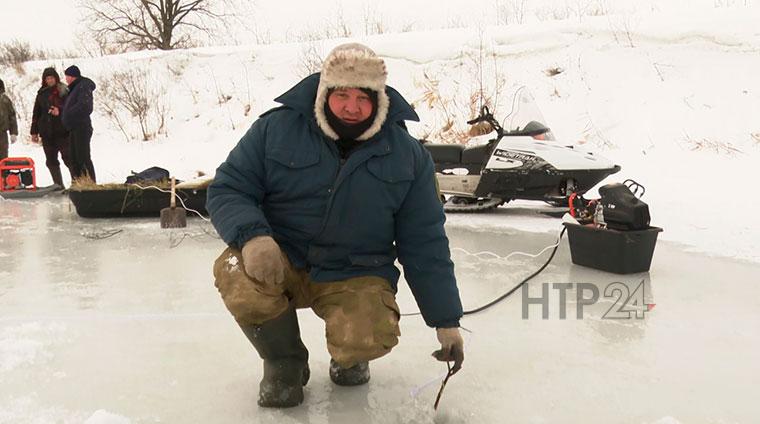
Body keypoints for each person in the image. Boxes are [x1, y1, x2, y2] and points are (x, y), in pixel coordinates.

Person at [208, 43, 465, 408]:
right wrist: (252, 237)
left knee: (366, 335)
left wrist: (446, 319)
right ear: (323, 92)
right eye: (341, 94)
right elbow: (229, 188)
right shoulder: (275, 130)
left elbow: (425, 242)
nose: (351, 107)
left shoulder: (409, 156)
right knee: (237, 273)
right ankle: (284, 360)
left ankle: (350, 356)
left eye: (363, 97)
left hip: (355, 270)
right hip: (284, 259)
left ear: (379, 99)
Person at [30, 67, 72, 188]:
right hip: (46, 132)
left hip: (62, 131)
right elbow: (36, 113)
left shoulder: (63, 90)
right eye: (47, 78)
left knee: (68, 158)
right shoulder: (41, 93)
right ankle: (58, 185)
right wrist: (34, 132)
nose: (49, 80)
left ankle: (77, 182)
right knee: (51, 160)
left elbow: (70, 108)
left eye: (51, 78)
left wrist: (60, 111)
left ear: (56, 78)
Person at [61, 65, 96, 183]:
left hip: (81, 126)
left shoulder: (83, 86)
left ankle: (90, 183)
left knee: (83, 157)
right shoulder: (74, 89)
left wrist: (69, 114)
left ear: (72, 76)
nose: (66, 79)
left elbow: (85, 106)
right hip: (73, 128)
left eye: (67, 76)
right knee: (74, 158)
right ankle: (79, 183)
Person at [0, 78, 19, 161]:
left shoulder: (5, 100)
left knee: (2, 159)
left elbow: (12, 116)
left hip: (2, 134)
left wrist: (13, 132)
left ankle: (3, 174)